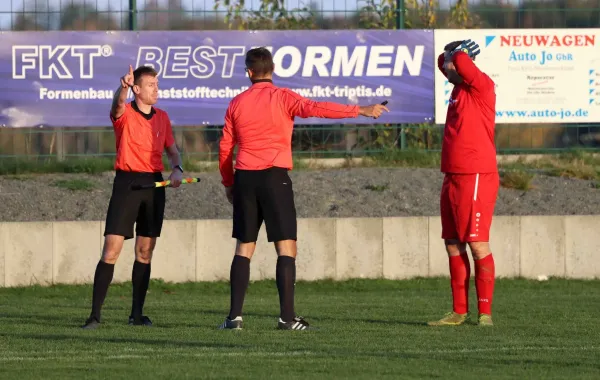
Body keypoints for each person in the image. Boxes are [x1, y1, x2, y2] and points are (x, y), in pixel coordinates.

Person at [217, 47, 389, 331]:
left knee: (244, 247)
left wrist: (228, 182)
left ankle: (234, 317)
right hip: (274, 178)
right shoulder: (284, 97)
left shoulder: (236, 103)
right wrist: (361, 110)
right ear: (272, 70)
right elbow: (319, 108)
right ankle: (286, 318)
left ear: (249, 72)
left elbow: (225, 148)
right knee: (286, 246)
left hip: (245, 179)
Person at [81, 65, 184, 329]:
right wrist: (122, 87)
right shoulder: (124, 112)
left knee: (145, 252)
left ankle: (136, 315)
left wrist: (177, 168)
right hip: (127, 184)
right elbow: (117, 105)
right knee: (111, 250)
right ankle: (94, 315)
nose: (156, 89)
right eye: (151, 84)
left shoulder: (163, 117)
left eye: (157, 84)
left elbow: (173, 152)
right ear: (136, 89)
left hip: (154, 184)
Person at [427, 39, 498, 327]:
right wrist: (450, 53)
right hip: (452, 176)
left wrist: (461, 54)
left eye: (452, 62)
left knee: (477, 243)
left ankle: (485, 313)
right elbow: (442, 63)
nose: (447, 66)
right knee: (453, 243)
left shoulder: (481, 85)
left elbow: (464, 65)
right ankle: (458, 311)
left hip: (476, 175)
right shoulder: (457, 88)